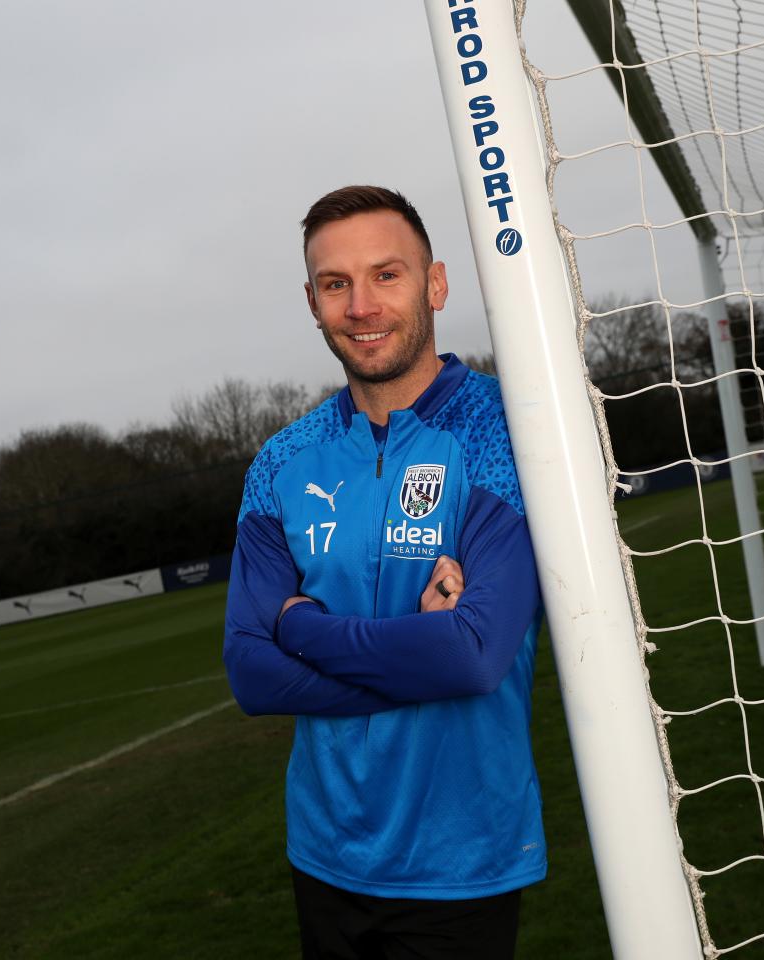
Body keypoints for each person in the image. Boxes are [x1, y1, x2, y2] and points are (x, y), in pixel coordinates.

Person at [224, 185, 545, 959]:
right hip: (325, 855)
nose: (361, 305)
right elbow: (251, 673)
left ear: (434, 283)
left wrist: (300, 626)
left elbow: (474, 657)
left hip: (461, 861)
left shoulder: (511, 430)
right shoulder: (281, 463)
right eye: (336, 284)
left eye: (386, 276)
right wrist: (416, 648)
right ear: (313, 301)